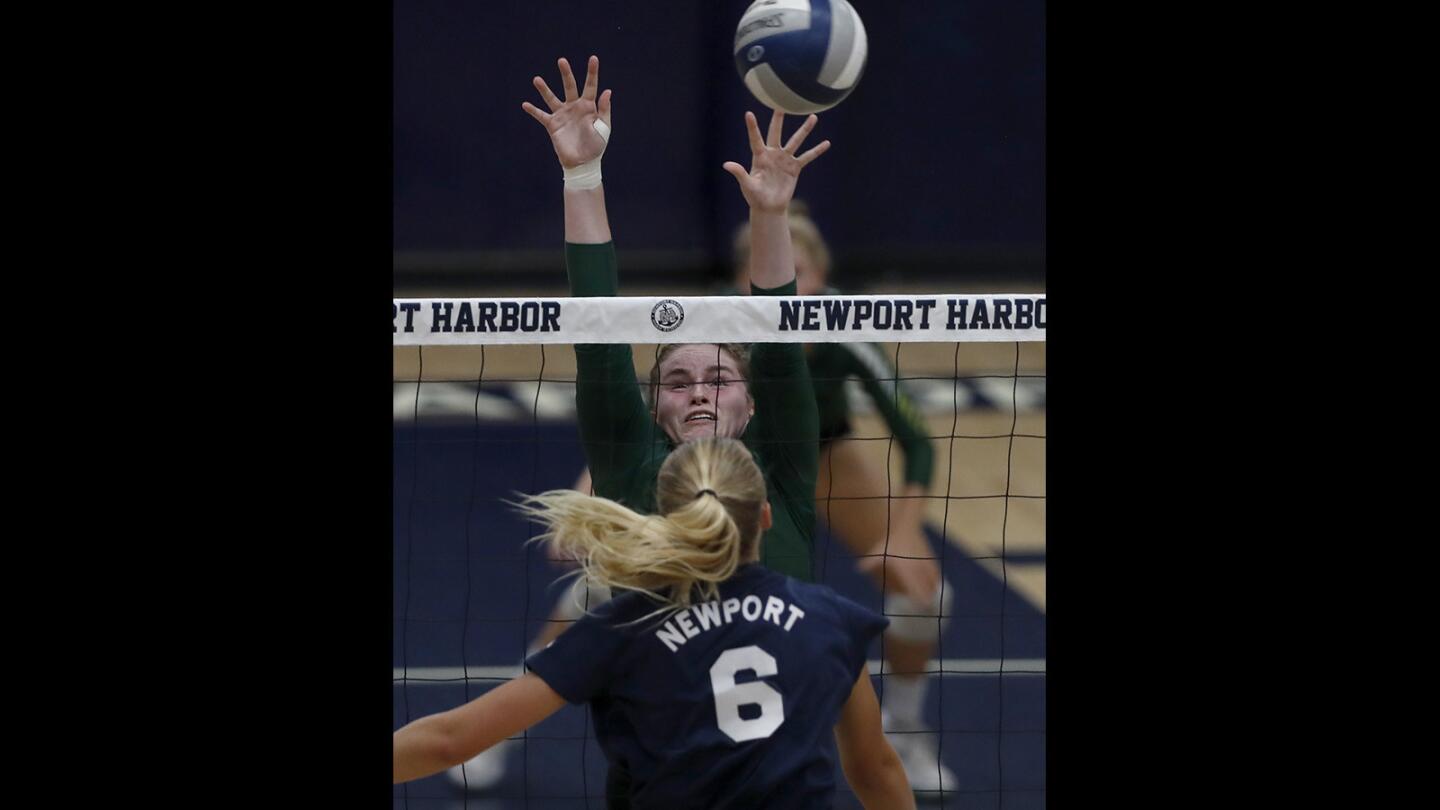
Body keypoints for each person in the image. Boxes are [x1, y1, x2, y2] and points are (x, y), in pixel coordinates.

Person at [446, 54, 831, 801]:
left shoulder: (780, 463)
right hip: (660, 781)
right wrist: (581, 177)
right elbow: (597, 330)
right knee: (581, 609)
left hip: (780, 786)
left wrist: (771, 215)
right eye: (676, 381)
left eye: (719, 379)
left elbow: (779, 344)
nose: (697, 393)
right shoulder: (630, 470)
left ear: (751, 406)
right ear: (652, 408)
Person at [396, 438, 915, 808]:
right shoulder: (831, 618)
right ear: (765, 517)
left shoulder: (621, 629)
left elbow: (450, 742)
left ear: (668, 518)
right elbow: (876, 771)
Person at [729, 204, 957, 793]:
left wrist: (903, 533)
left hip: (827, 455)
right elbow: (645, 418)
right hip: (737, 463)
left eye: (801, 270)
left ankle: (903, 729)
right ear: (741, 280)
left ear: (822, 277)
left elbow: (917, 442)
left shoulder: (844, 329)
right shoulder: (720, 328)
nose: (790, 283)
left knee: (929, 595)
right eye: (772, 268)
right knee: (601, 589)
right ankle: (504, 724)